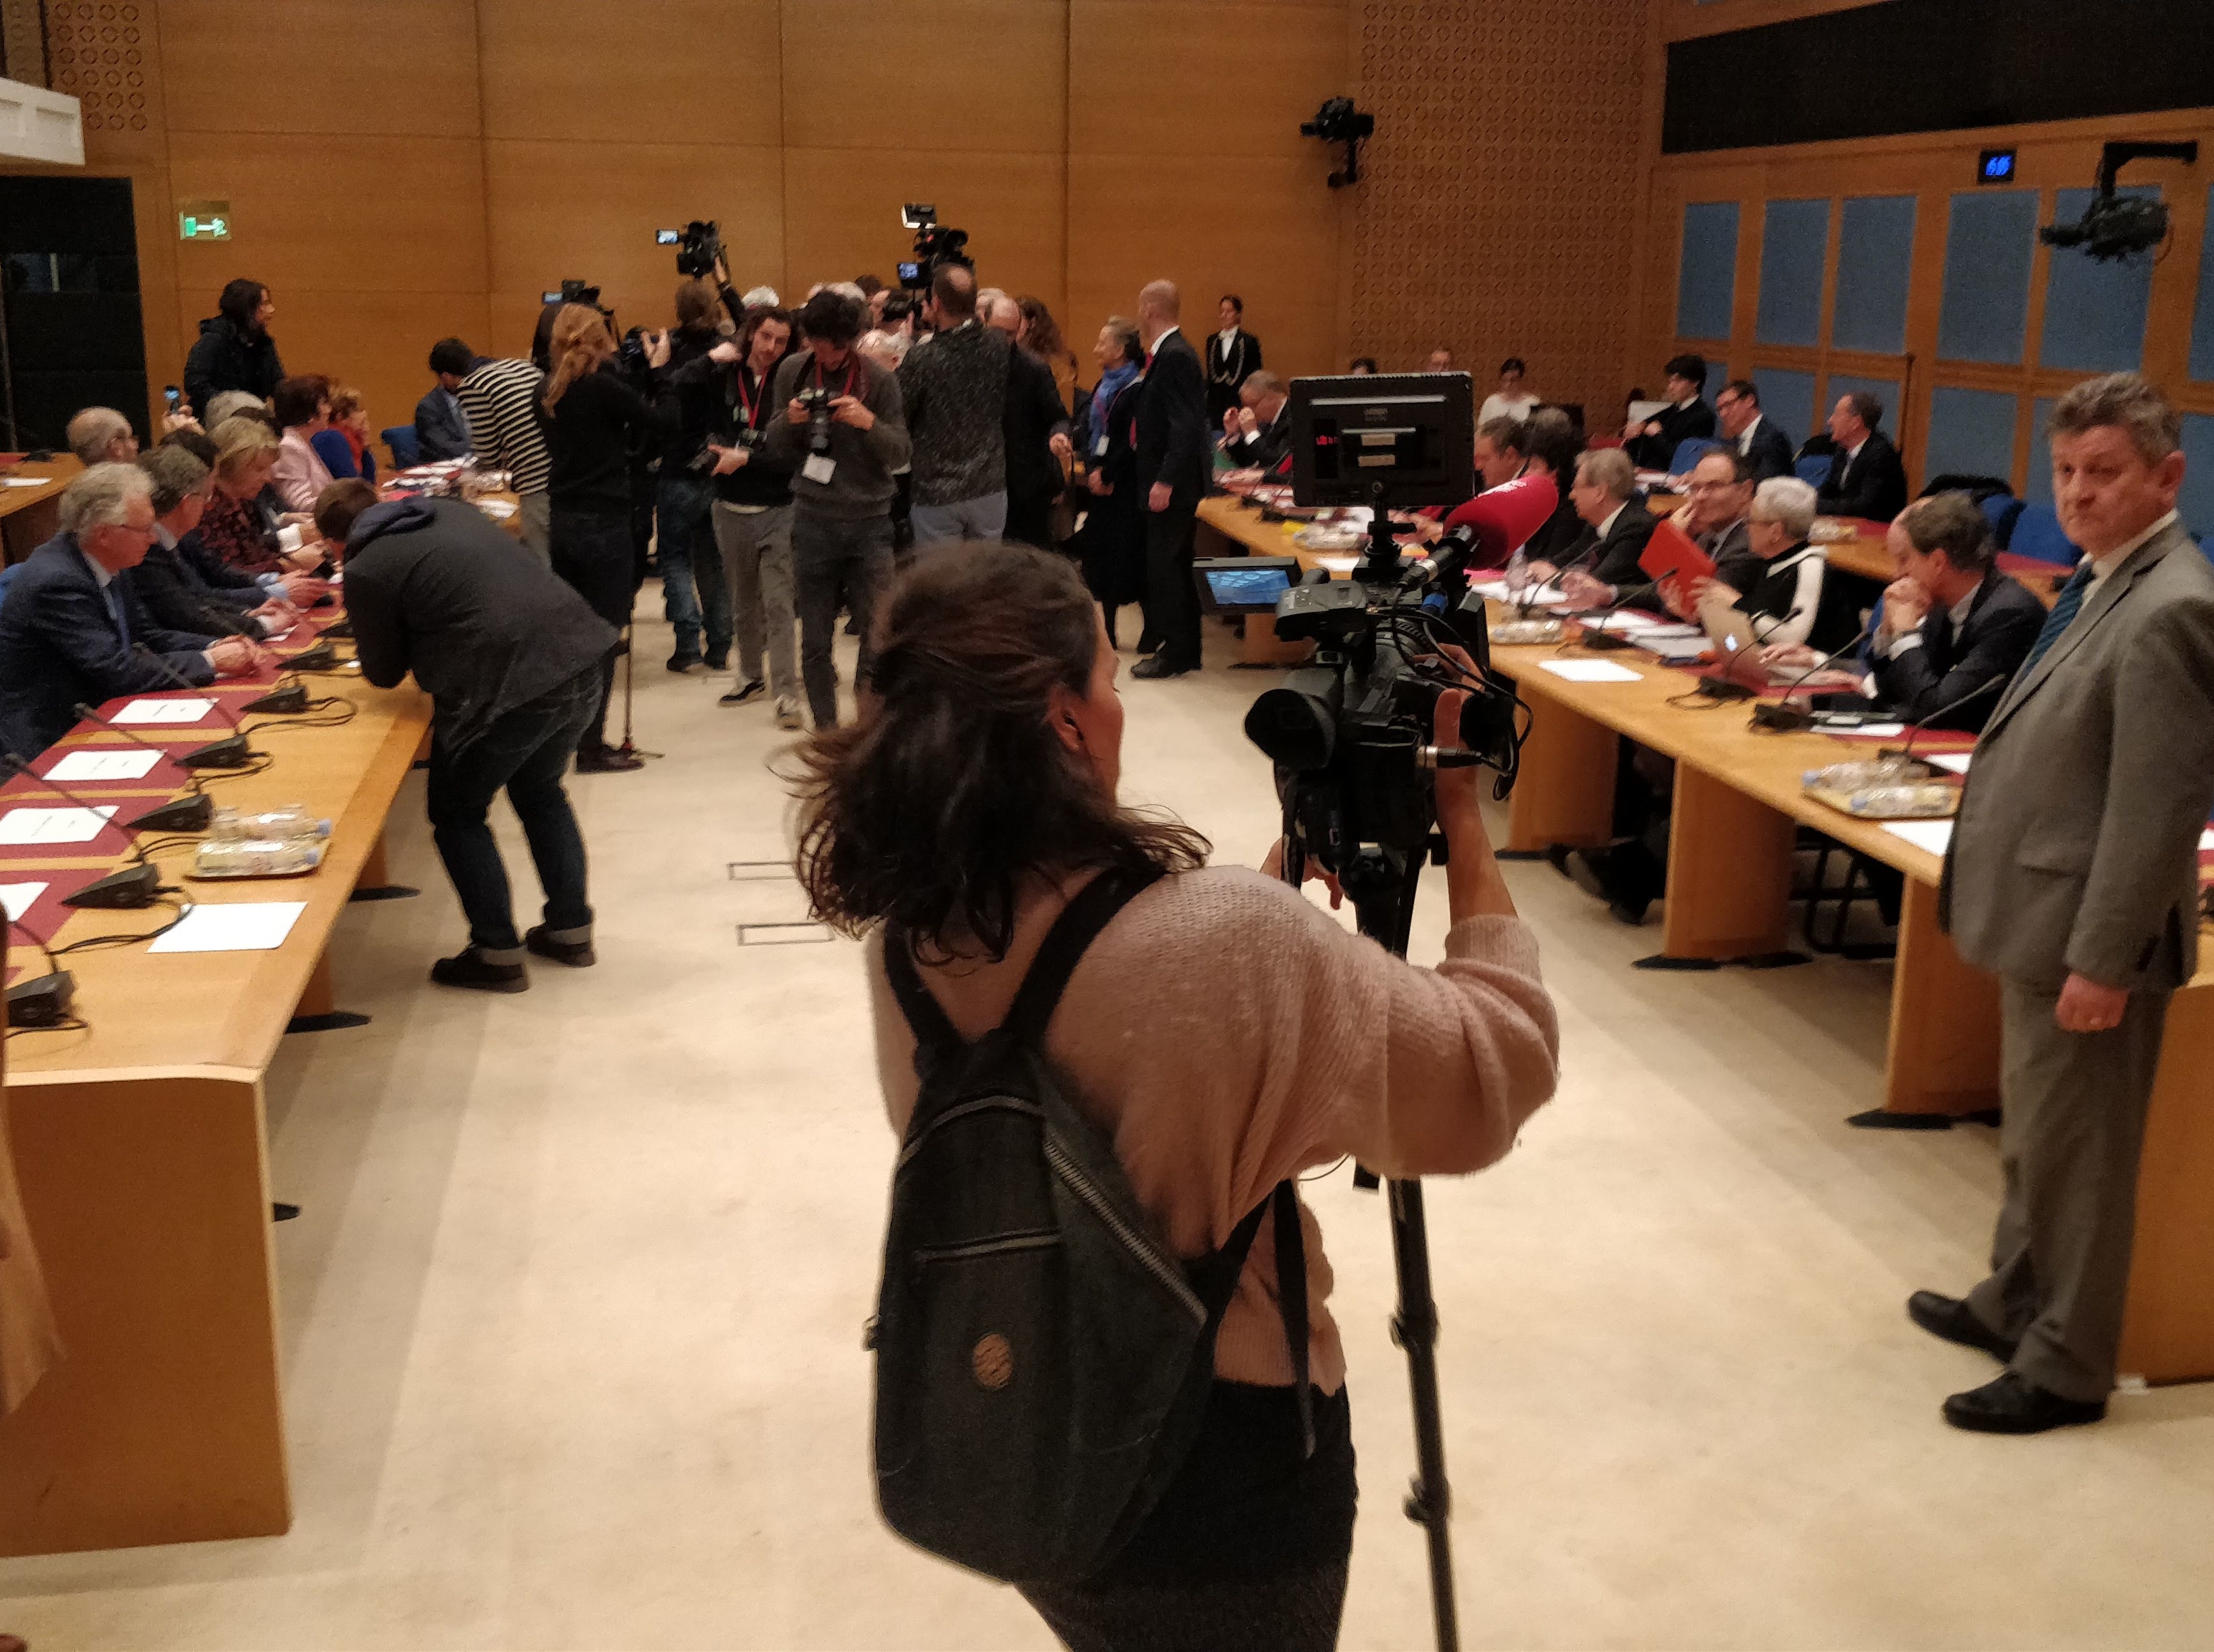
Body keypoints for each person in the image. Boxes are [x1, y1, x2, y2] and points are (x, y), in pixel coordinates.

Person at [791, 540, 1557, 1649]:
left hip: (1030, 1432)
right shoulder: (1235, 943)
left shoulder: (909, 939)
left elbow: (1118, 1049)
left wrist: (1277, 901)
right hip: (1221, 1479)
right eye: (1108, 680)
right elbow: (1495, 1071)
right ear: (1065, 720)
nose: (1118, 708)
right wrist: (1465, 820)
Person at [1922, 374, 2214, 1434]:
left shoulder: (2172, 606)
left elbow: (2154, 810)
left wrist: (2103, 958)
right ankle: (2012, 1301)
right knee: (2039, 1143)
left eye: (2104, 472)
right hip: (2041, 918)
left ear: (2165, 477)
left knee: (2082, 1161)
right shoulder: (2101, 581)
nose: (2078, 493)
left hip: (2089, 937)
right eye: (2064, 472)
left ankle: (2064, 1365)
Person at [315, 479, 615, 993]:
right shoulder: (450, 511)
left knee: (458, 813)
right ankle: (571, 931)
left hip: (509, 685)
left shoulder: (366, 568)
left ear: (335, 544)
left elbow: (383, 673)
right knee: (542, 792)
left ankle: (496, 953)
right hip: (581, 654)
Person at [0, 465, 263, 760]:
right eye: (145, 529)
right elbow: (115, 668)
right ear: (104, 533)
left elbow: (147, 636)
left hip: (104, 710)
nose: (153, 538)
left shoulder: (109, 559)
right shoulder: (58, 582)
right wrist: (210, 661)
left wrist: (214, 645)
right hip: (50, 738)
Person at [1765, 493, 2044, 727]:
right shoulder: (1941, 602)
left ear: (1938, 562)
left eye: (1905, 560)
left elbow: (1936, 708)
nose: (1897, 575)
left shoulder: (2010, 616)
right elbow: (1897, 691)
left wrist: (1906, 634)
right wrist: (1888, 634)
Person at [764, 286, 911, 727]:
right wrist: (788, 421)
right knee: (814, 639)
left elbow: (901, 452)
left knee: (876, 635)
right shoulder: (792, 371)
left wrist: (868, 423)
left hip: (870, 525)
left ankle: (865, 727)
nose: (828, 357)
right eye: (820, 347)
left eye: (838, 349)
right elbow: (774, 447)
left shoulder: (878, 380)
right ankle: (827, 733)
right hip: (813, 521)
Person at [542, 303, 671, 773]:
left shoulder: (549, 390)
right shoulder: (602, 388)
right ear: (599, 340)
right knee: (604, 639)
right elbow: (662, 424)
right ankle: (591, 746)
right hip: (604, 523)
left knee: (576, 636)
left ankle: (568, 736)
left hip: (564, 522)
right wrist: (659, 373)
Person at [680, 305, 803, 728]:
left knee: (779, 604)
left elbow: (791, 454)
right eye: (765, 337)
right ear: (750, 334)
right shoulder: (723, 375)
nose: (772, 348)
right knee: (742, 601)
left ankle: (786, 693)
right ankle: (750, 676)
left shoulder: (789, 381)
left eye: (782, 341)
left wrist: (745, 458)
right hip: (729, 507)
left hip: (778, 509)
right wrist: (708, 359)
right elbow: (677, 387)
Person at [655, 277, 738, 674]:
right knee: (713, 559)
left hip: (677, 466)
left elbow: (663, 393)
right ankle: (720, 643)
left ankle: (687, 642)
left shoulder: (669, 354)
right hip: (717, 464)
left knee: (674, 557)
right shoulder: (727, 352)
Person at [131, 445, 298, 639]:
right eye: (206, 497)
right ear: (188, 503)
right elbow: (184, 614)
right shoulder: (148, 549)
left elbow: (199, 596)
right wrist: (263, 625)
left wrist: (245, 613)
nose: (207, 504)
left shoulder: (177, 537)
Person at [897, 265, 1010, 548]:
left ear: (936, 304)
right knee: (987, 573)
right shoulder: (998, 345)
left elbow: (900, 414)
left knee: (943, 575)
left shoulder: (922, 359)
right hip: (989, 487)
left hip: (937, 492)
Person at [1130, 280, 1210, 679]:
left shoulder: (1175, 355)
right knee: (1176, 565)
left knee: (1166, 568)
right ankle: (1186, 649)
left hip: (1171, 486)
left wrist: (1165, 480)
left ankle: (1176, 651)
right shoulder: (1171, 353)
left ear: (1149, 309)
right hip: (1171, 481)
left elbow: (1185, 426)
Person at [1661, 472, 1825, 650]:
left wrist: (1736, 603)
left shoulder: (1809, 565)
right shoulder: (1765, 562)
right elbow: (1743, 635)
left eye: (1751, 521)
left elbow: (1792, 638)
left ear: (1775, 532)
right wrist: (1697, 619)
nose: (1746, 528)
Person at [1077, 318, 1148, 650]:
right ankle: (1105, 629)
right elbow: (1091, 433)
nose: (1096, 349)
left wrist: (1108, 476)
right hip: (1099, 485)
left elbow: (1131, 443)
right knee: (1100, 557)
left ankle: (1151, 629)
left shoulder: (1137, 389)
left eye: (1103, 343)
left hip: (1126, 488)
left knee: (1128, 558)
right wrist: (1093, 469)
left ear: (1120, 350)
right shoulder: (1102, 386)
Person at [989, 294, 1072, 549]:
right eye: (996, 332)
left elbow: (1058, 417)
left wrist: (1058, 435)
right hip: (984, 486)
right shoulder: (972, 365)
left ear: (1020, 332)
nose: (1002, 340)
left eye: (1009, 334)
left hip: (1025, 486)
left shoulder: (1034, 369)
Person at [198, 416, 325, 579]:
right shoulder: (207, 510)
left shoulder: (244, 501)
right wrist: (285, 564)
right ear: (230, 465)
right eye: (260, 469)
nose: (268, 478)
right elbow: (227, 576)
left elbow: (257, 551)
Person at [457, 351, 555, 560]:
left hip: (535, 481)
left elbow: (488, 454)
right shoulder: (523, 367)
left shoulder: (472, 385)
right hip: (565, 474)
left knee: (542, 563)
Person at [1548, 449, 1658, 602]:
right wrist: (1544, 567)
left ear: (1600, 492)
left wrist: (1552, 577)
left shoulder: (1636, 528)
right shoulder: (1596, 522)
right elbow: (1566, 558)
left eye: (1577, 487)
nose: (1572, 495)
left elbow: (1596, 585)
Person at [182, 278, 284, 418]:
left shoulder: (264, 343)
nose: (272, 310)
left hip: (252, 417)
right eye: (265, 304)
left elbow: (277, 384)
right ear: (247, 309)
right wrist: (231, 404)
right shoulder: (213, 340)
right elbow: (195, 383)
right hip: (216, 420)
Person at [1816, 391, 1908, 522]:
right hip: (1849, 525)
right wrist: (1810, 501)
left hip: (1877, 529)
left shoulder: (1882, 456)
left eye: (1837, 414)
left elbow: (1864, 507)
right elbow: (1829, 489)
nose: (1830, 421)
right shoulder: (1842, 450)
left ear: (1855, 423)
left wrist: (1819, 506)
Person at [1622, 354, 1715, 470]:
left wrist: (1657, 435)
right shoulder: (1671, 410)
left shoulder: (1703, 416)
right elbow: (1644, 434)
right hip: (1649, 471)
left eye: (1678, 381)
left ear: (1695, 383)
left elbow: (1681, 457)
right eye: (1670, 381)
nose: (1671, 387)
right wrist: (1635, 432)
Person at [269, 375, 336, 512]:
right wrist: (345, 504)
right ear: (309, 414)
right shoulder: (290, 447)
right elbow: (301, 503)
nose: (329, 409)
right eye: (324, 403)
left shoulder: (302, 443)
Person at [1714, 379, 1793, 482]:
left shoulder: (1774, 439)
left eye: (1728, 405)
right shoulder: (1734, 442)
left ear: (1750, 401)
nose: (1723, 414)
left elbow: (1765, 483)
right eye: (1720, 409)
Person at [1204, 295, 1264, 425]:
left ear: (1238, 315)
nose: (1224, 315)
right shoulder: (1212, 341)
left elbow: (1255, 374)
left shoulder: (1249, 341)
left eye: (1229, 312)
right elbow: (1211, 374)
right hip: (1216, 406)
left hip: (1239, 403)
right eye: (1222, 312)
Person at [415, 337, 476, 461]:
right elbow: (447, 448)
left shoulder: (477, 397)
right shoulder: (428, 408)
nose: (470, 380)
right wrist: (485, 446)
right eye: (464, 377)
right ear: (447, 377)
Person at [1220, 370, 1292, 474]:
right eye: (1245, 406)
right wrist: (1235, 433)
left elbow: (1279, 464)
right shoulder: (1265, 420)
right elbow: (1247, 461)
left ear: (1271, 398)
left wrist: (1251, 433)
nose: (1248, 411)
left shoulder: (1294, 417)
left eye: (1252, 405)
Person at [310, 385, 378, 485]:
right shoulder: (331, 438)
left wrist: (365, 448)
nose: (367, 428)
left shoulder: (354, 441)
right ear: (341, 418)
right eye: (362, 422)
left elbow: (369, 482)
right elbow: (353, 487)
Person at [66, 406, 138, 467]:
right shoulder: (135, 479)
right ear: (116, 446)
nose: (136, 445)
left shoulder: (77, 479)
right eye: (131, 438)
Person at [1478, 357, 1539, 426]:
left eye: (1513, 380)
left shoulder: (1532, 403)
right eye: (1505, 380)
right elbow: (1482, 429)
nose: (1509, 384)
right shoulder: (1491, 402)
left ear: (1521, 380)